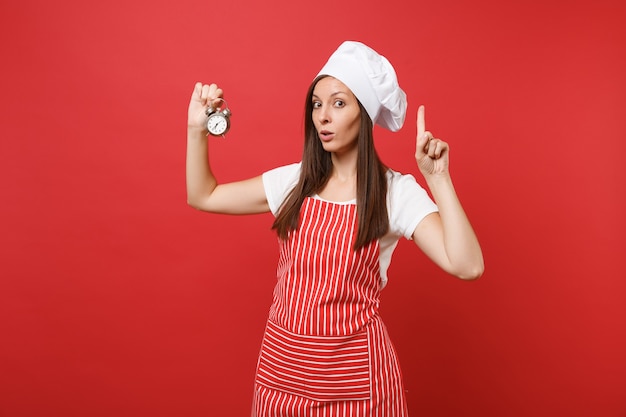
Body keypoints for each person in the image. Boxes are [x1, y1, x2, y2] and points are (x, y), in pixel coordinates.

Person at [186, 41, 484, 416]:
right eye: (316, 103)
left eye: (339, 103)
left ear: (365, 114)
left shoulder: (394, 192)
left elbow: (467, 265)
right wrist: (196, 129)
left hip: (359, 386)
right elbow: (204, 195)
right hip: (282, 381)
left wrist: (437, 179)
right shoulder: (295, 182)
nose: (323, 116)